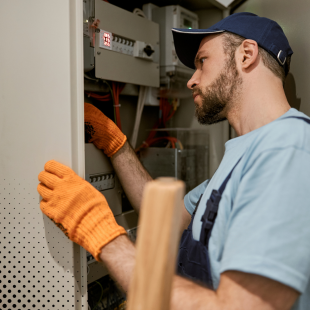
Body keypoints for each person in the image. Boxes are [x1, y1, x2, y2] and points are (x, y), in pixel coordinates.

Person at [37, 12, 310, 310]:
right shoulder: (248, 153)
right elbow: (167, 219)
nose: (192, 80)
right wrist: (117, 146)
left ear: (246, 55)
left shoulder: (288, 149)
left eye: (202, 61)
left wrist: (104, 237)